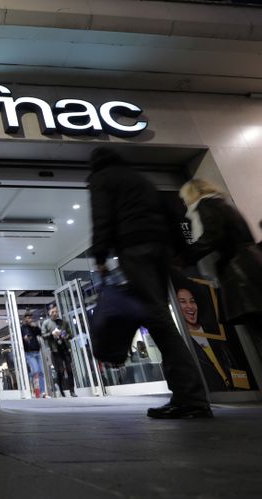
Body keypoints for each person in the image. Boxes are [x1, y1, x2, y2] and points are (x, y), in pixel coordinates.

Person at [89, 147, 211, 418]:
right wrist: (182, 252)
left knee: (158, 320)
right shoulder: (139, 179)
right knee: (158, 318)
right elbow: (171, 214)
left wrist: (99, 254)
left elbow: (102, 217)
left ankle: (191, 399)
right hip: (160, 251)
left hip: (135, 249)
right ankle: (184, 395)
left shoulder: (102, 178)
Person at [179, 179, 262, 339]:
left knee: (257, 326)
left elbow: (211, 235)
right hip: (251, 264)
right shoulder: (223, 204)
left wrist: (184, 258)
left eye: (184, 197)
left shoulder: (205, 206)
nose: (184, 202)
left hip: (239, 273)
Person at [175, 283, 233, 391]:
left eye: (192, 301)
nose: (190, 306)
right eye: (182, 302)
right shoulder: (180, 341)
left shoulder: (214, 332)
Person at [41, 306, 77, 397]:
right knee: (60, 370)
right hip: (55, 350)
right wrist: (52, 334)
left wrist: (66, 336)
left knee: (69, 369)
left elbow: (71, 334)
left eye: (56, 311)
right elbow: (43, 336)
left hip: (65, 348)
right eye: (53, 312)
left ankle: (72, 390)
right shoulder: (46, 323)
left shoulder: (64, 322)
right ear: (49, 312)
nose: (55, 313)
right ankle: (61, 389)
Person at [21, 312, 47, 398]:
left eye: (31, 318)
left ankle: (43, 392)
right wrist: (25, 338)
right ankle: (26, 384)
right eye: (28, 318)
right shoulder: (22, 328)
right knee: (35, 371)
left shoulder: (33, 327)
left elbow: (40, 333)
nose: (30, 320)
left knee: (41, 372)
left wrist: (36, 327)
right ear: (25, 319)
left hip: (37, 352)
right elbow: (23, 337)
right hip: (29, 353)